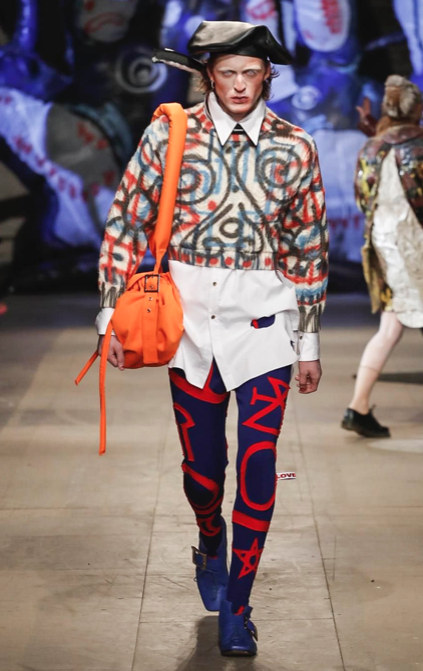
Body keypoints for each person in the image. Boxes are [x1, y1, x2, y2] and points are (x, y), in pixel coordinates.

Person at [96, 20, 328, 656]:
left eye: (250, 73)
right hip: (190, 328)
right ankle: (208, 536)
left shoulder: (295, 146)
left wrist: (308, 343)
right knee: (203, 472)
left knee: (258, 465)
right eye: (227, 74)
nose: (239, 85)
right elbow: (126, 219)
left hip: (266, 324)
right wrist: (109, 316)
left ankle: (238, 606)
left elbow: (309, 247)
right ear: (208, 76)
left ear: (267, 76)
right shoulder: (171, 133)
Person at [342, 75, 423, 439]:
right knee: (392, 326)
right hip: (416, 243)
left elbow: (363, 199)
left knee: (390, 327)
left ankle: (358, 406)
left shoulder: (371, 148)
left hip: (384, 245)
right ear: (418, 108)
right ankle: (357, 407)